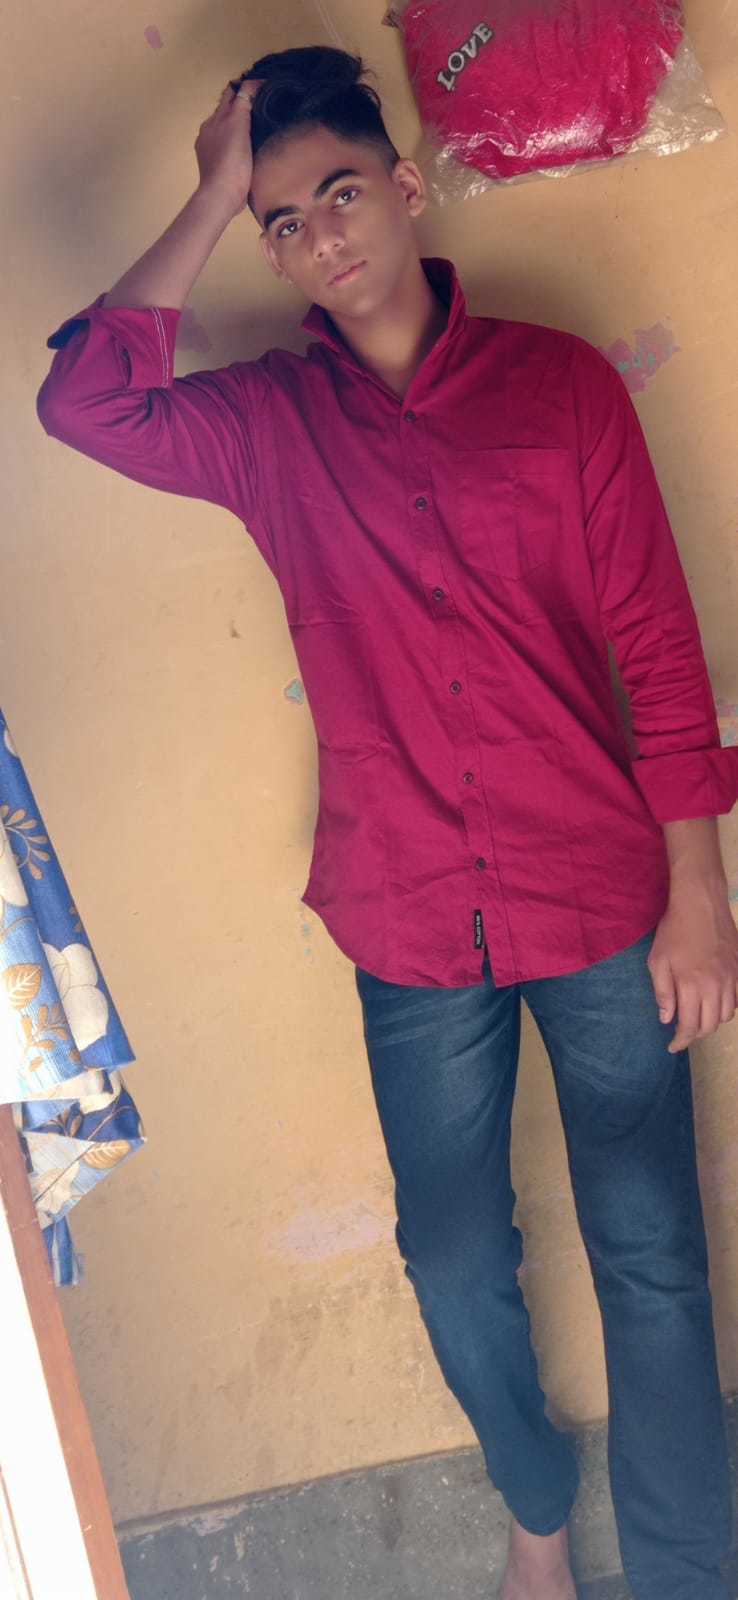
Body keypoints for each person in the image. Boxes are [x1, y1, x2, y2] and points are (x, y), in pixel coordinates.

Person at [36, 46, 738, 1599]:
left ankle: (688, 1575)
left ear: (408, 191)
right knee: (452, 1258)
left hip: (599, 895)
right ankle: (537, 1524)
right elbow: (84, 401)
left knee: (652, 1260)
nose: (318, 238)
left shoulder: (558, 390)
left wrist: (700, 892)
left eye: (339, 194)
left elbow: (657, 647)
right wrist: (210, 187)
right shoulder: (265, 427)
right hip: (410, 918)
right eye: (281, 221)